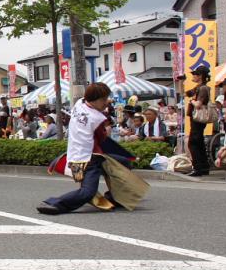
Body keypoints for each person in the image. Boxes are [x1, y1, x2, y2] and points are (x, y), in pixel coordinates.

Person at [37, 82, 149, 215]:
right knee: (87, 192)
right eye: (103, 100)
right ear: (95, 100)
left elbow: (89, 100)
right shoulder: (97, 118)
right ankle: (54, 203)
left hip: (76, 156)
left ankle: (114, 197)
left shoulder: (79, 105)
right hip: (90, 159)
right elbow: (104, 138)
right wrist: (107, 129)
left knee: (123, 162)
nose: (106, 102)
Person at [186, 65, 212, 176]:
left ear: (200, 75)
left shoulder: (203, 88)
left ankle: (197, 168)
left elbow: (198, 105)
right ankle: (204, 167)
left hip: (198, 119)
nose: (193, 76)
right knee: (199, 142)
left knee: (193, 143)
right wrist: (181, 81)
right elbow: (186, 93)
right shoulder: (199, 87)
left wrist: (192, 101)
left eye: (195, 74)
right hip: (196, 119)